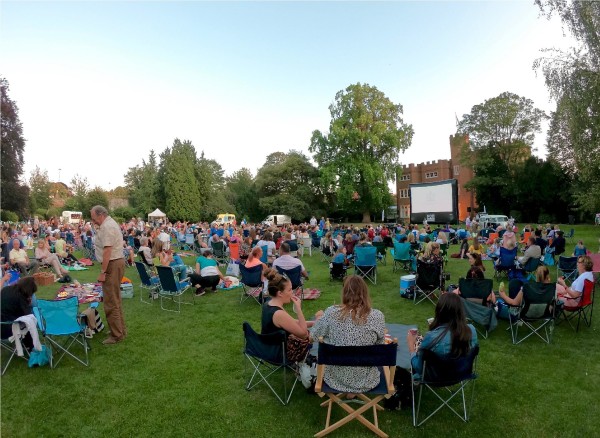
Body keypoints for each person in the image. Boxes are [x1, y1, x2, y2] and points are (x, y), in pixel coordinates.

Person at [311, 275, 385, 394]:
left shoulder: (331, 313)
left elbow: (312, 336)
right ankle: (353, 393)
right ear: (365, 292)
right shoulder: (377, 316)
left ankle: (350, 393)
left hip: (335, 379)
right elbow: (380, 346)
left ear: (344, 292)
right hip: (367, 380)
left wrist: (319, 318)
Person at [407, 292, 478, 378]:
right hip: (461, 373)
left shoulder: (432, 337)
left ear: (439, 311)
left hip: (435, 378)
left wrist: (411, 346)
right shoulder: (472, 330)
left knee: (418, 347)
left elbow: (419, 368)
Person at [91, 205, 126, 345]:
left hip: (112, 263)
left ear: (101, 215)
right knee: (115, 299)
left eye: (94, 217)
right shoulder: (106, 225)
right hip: (115, 262)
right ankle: (119, 329)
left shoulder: (107, 227)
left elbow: (107, 251)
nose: (93, 221)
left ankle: (116, 335)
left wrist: (102, 272)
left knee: (110, 301)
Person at [1, 277, 37, 350]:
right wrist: (28, 303)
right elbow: (27, 318)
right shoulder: (21, 298)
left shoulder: (5, 290)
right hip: (9, 330)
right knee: (30, 320)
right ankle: (29, 346)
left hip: (2, 324)